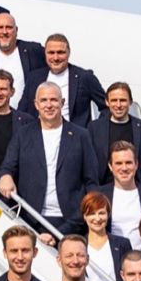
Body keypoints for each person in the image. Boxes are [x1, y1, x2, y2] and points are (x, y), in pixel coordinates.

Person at [15, 83, 90, 235]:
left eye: (54, 100)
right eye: (43, 100)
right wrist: (6, 176)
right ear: (36, 104)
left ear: (62, 102)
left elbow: (91, 181)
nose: (48, 105)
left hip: (71, 222)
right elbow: (9, 166)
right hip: (31, 219)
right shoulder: (23, 134)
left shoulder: (81, 135)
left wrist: (78, 218)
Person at [93, 82, 141, 187]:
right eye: (114, 100)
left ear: (130, 102)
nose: (118, 105)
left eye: (123, 100)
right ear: (107, 102)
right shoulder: (95, 128)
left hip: (135, 189)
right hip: (103, 191)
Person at [37, 33, 103, 126]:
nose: (55, 58)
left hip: (75, 133)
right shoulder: (34, 77)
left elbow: (107, 107)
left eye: (60, 52)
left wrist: (95, 129)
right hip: (41, 133)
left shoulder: (84, 77)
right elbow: (24, 110)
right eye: (51, 53)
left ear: (69, 53)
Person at [98, 138, 141, 248]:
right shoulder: (100, 195)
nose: (124, 168)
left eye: (128, 163)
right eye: (118, 163)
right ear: (110, 166)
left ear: (136, 164)